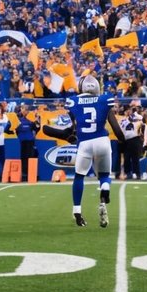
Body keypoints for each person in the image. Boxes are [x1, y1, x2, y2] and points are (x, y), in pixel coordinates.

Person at [43, 74, 124, 228]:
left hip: (85, 143)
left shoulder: (73, 101)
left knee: (79, 176)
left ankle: (77, 213)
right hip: (102, 141)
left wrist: (68, 135)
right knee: (105, 175)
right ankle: (105, 188)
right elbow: (116, 129)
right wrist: (122, 140)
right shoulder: (104, 100)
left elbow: (72, 127)